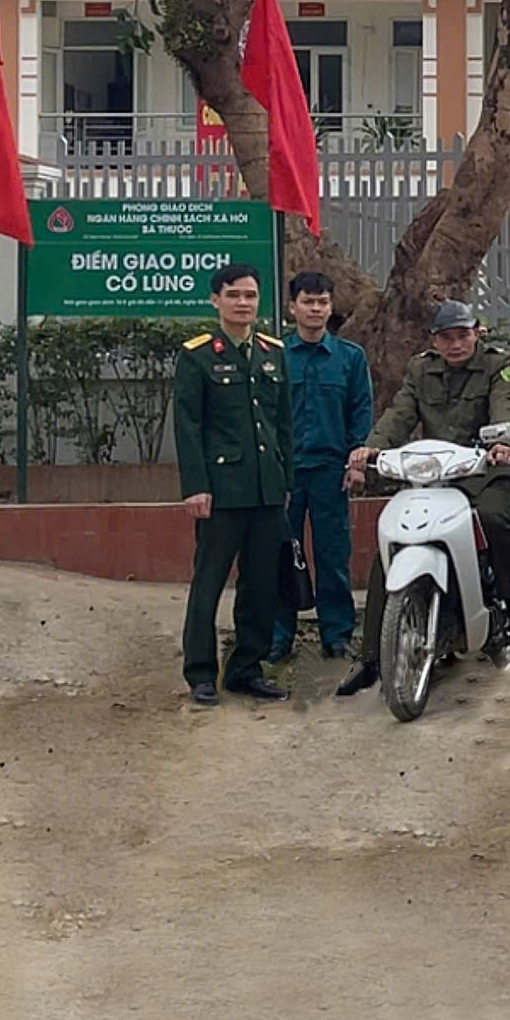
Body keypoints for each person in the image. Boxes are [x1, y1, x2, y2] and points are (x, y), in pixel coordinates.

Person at [336, 301, 510, 696]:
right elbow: (400, 413)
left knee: (491, 519)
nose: (455, 344)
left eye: (462, 335)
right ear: (434, 341)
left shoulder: (497, 364)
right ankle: (370, 656)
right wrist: (372, 447)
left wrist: (504, 442)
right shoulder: (421, 369)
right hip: (434, 474)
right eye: (446, 337)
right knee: (392, 546)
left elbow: (505, 405)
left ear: (476, 334)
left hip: (485, 470)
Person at [171, 262, 292, 706]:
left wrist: (286, 480)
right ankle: (201, 673)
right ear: (215, 300)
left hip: (266, 490)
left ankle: (246, 669)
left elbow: (283, 424)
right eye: (234, 295)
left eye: (250, 295)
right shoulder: (198, 355)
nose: (243, 303)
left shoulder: (272, 352)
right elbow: (188, 426)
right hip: (221, 491)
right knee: (209, 584)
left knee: (260, 586)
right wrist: (195, 486)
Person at [273, 271, 373, 662]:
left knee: (334, 555)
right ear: (292, 307)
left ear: (331, 307)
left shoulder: (350, 358)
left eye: (322, 302)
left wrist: (357, 462)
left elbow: (361, 412)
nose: (315, 309)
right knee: (281, 554)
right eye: (308, 302)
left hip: (332, 471)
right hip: (285, 472)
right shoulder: (275, 354)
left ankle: (337, 634)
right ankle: (278, 636)